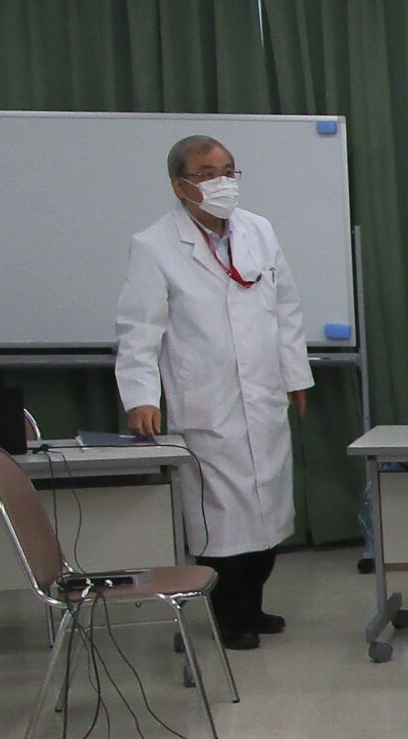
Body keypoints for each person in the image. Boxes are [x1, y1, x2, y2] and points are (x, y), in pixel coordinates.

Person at [116, 134, 310, 651]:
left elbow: (286, 307)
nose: (221, 182)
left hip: (262, 394)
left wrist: (295, 375)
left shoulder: (259, 231)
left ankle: (253, 606)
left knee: (268, 512)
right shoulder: (155, 245)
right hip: (205, 401)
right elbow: (139, 328)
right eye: (206, 173)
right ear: (179, 185)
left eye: (228, 171)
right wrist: (141, 396)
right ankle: (228, 615)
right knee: (222, 520)